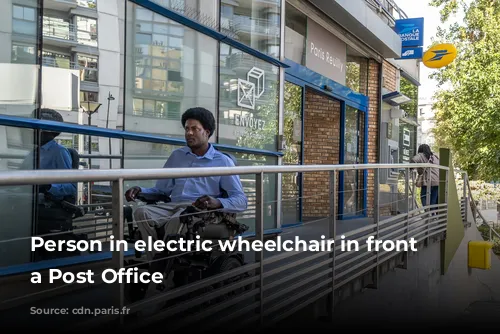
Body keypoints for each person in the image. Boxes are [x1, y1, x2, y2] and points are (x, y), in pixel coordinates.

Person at [125, 107, 248, 261]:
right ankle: (156, 260)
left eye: (195, 129)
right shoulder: (177, 156)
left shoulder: (223, 162)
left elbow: (241, 200)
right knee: (141, 213)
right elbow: (161, 190)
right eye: (187, 129)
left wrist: (217, 202)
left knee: (179, 218)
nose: (189, 133)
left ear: (207, 132)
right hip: (173, 205)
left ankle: (163, 264)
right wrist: (140, 190)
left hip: (200, 210)